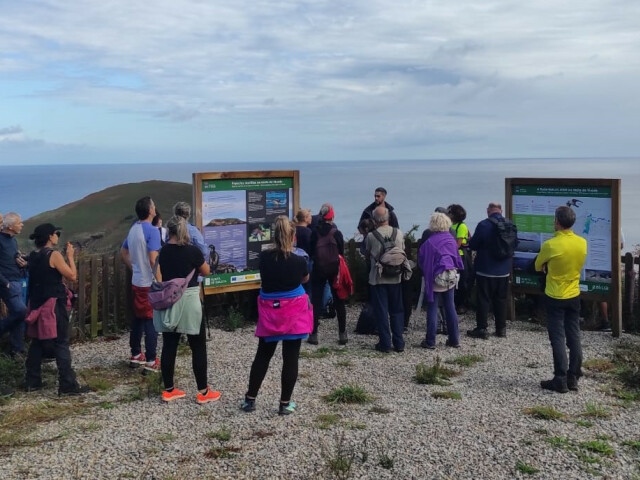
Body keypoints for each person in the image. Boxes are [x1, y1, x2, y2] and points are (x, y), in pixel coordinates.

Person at [241, 216, 311, 415]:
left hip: (270, 310)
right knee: (291, 357)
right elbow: (305, 278)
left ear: (274, 235)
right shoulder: (299, 260)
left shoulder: (264, 257)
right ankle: (284, 403)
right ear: (293, 235)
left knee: (263, 354)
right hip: (294, 311)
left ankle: (250, 399)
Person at [152, 216, 219, 404]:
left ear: (169, 231)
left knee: (169, 345)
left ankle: (169, 390)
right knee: (198, 346)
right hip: (189, 299)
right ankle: (203, 391)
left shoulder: (162, 252)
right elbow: (205, 271)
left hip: (169, 300)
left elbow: (159, 274)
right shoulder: (193, 251)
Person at [24, 224, 89, 395]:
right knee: (61, 341)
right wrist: (70, 256)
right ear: (50, 237)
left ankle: (32, 380)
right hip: (54, 304)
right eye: (56, 233)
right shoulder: (53, 255)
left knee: (37, 341)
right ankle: (67, 384)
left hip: (37, 303)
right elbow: (72, 276)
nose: (57, 236)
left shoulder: (33, 256)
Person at [535, 206, 587, 393]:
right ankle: (573, 376)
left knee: (557, 337)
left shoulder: (551, 245)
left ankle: (560, 378)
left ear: (557, 222)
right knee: (574, 335)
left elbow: (537, 265)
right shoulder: (582, 242)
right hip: (574, 293)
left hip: (555, 295)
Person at [121, 196, 161, 372]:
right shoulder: (152, 231)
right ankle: (151, 360)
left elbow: (124, 251)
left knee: (138, 318)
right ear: (150, 210)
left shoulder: (133, 229)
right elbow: (154, 259)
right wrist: (161, 281)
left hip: (137, 280)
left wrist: (134, 267)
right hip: (148, 282)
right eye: (153, 205)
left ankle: (136, 354)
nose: (155, 207)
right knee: (151, 320)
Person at [467, 202, 514, 339]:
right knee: (501, 299)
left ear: (488, 211)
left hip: (485, 268)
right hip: (504, 269)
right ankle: (501, 329)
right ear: (501, 210)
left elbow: (474, 244)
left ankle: (482, 328)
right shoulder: (510, 224)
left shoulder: (483, 225)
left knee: (483, 299)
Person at [418, 212, 463, 349]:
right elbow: (456, 258)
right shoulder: (451, 239)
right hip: (450, 276)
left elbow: (422, 260)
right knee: (450, 307)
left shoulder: (429, 242)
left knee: (432, 307)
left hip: (435, 278)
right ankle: (454, 339)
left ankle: (430, 341)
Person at [365, 206, 405, 353]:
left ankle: (385, 343)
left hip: (378, 278)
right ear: (388, 218)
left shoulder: (371, 236)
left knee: (381, 311)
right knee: (397, 311)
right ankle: (399, 343)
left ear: (374, 220)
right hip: (395, 277)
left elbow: (368, 253)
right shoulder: (398, 233)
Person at [308, 204, 347, 345]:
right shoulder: (337, 233)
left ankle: (313, 334)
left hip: (318, 269)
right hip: (334, 270)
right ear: (332, 216)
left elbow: (311, 251)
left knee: (316, 302)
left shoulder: (314, 233)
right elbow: (341, 252)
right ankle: (342, 334)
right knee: (339, 301)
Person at [0, 212, 27, 358]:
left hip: (17, 281)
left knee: (19, 316)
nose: (22, 224)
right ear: (10, 226)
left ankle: (17, 350)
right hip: (7, 283)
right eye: (19, 222)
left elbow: (12, 258)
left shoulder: (13, 240)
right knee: (21, 311)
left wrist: (21, 262)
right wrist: (5, 283)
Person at [447, 204, 473, 313]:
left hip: (460, 256)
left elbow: (458, 244)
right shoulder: (450, 225)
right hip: (451, 255)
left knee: (462, 281)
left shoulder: (461, 226)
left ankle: (461, 304)